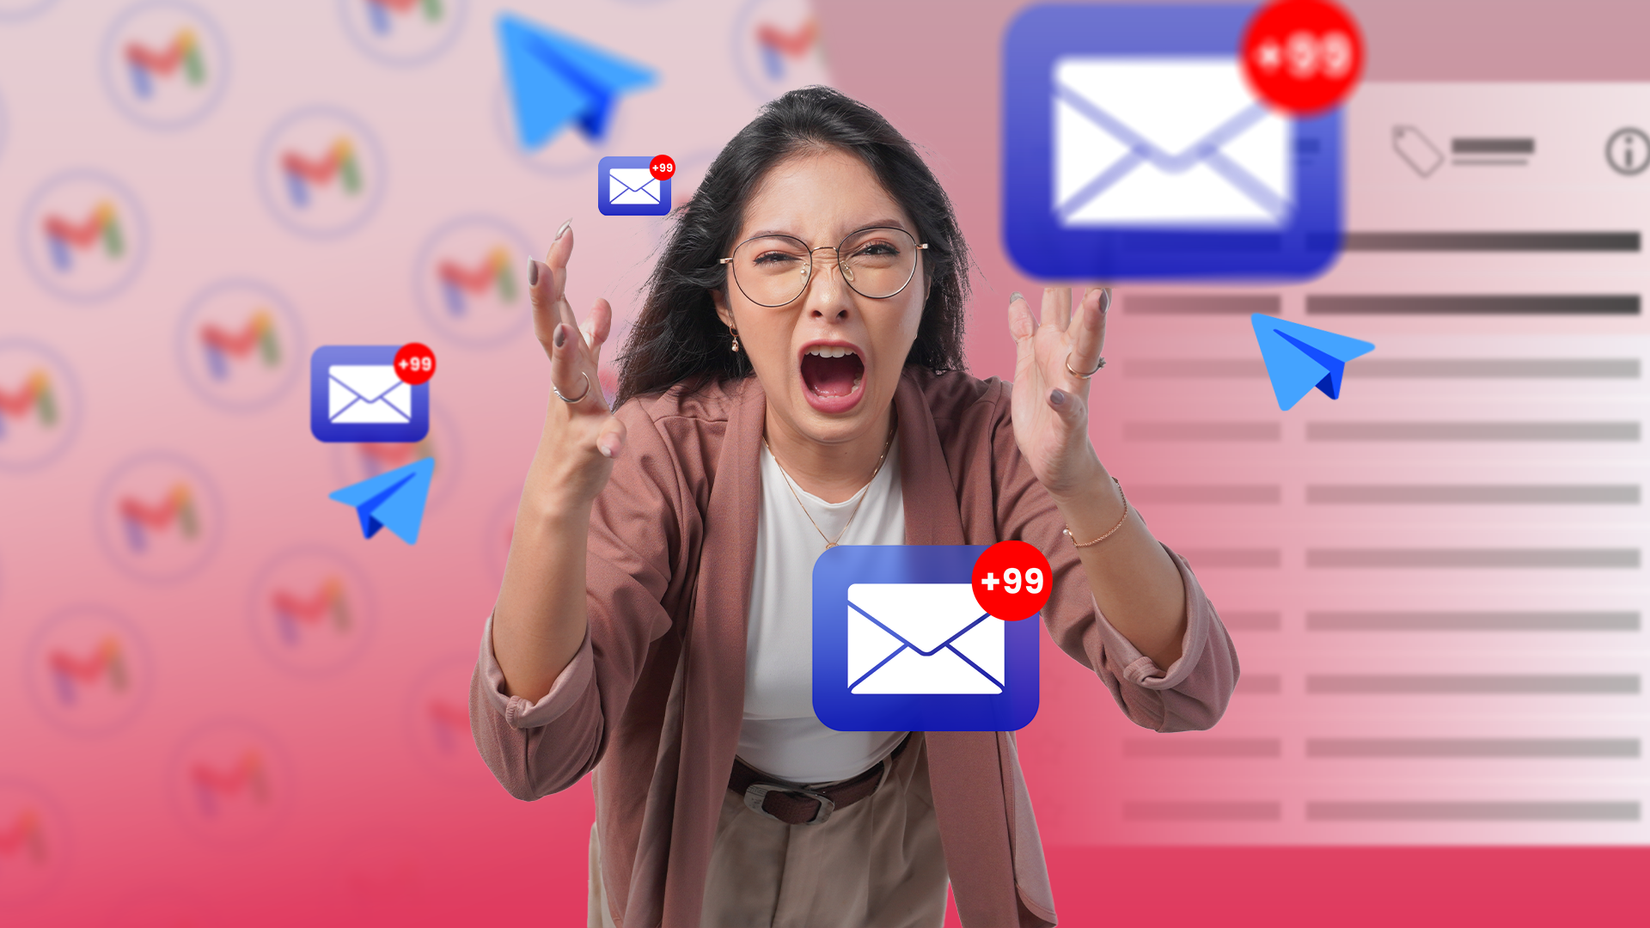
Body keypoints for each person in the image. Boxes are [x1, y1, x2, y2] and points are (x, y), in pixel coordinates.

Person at [470, 86, 1239, 928]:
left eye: (872, 251)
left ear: (924, 280)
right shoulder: (663, 451)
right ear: (725, 302)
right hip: (696, 837)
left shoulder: (985, 442)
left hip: (891, 843)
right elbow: (535, 753)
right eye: (777, 257)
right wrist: (552, 507)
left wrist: (1078, 480)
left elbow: (1184, 688)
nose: (828, 295)